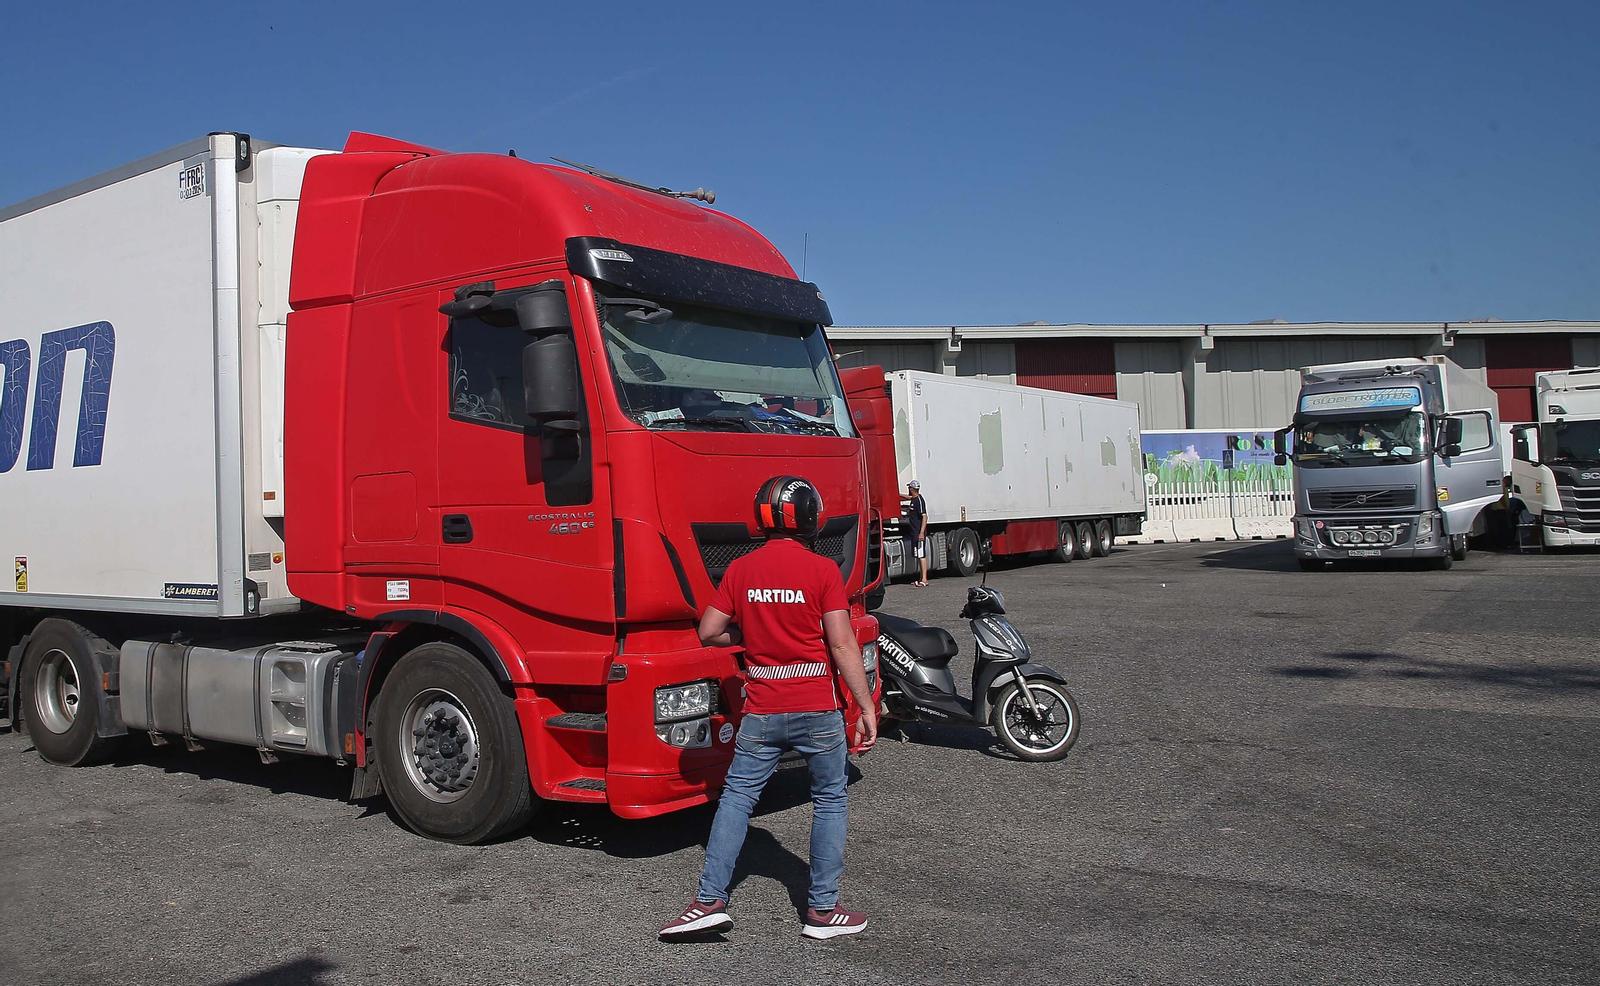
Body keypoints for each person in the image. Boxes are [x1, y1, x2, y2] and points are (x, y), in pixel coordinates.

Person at [658, 476, 878, 941]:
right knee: (830, 799)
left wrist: (745, 636)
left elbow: (709, 631)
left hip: (761, 710)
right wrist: (865, 706)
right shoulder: (823, 571)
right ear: (810, 517)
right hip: (816, 708)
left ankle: (708, 902)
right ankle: (822, 911)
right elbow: (842, 644)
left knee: (737, 798)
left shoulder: (741, 570)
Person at [901, 479, 929, 586]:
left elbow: (925, 517)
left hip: (918, 532)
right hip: (914, 532)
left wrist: (921, 533)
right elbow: (909, 497)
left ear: (912, 489)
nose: (908, 489)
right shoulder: (914, 499)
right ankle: (920, 578)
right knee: (918, 555)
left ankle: (925, 579)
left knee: (921, 555)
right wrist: (899, 495)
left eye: (909, 487)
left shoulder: (919, 501)